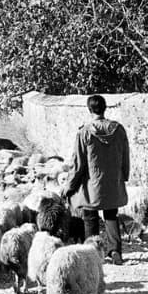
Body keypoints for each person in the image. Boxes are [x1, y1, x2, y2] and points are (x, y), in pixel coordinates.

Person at [60, 94, 129, 264]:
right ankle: (115, 250)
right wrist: (124, 176)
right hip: (113, 182)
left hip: (92, 184)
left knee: (90, 217)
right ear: (105, 108)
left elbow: (78, 164)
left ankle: (92, 254)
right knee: (111, 215)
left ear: (89, 109)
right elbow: (125, 156)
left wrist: (69, 186)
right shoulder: (118, 130)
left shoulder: (84, 132)